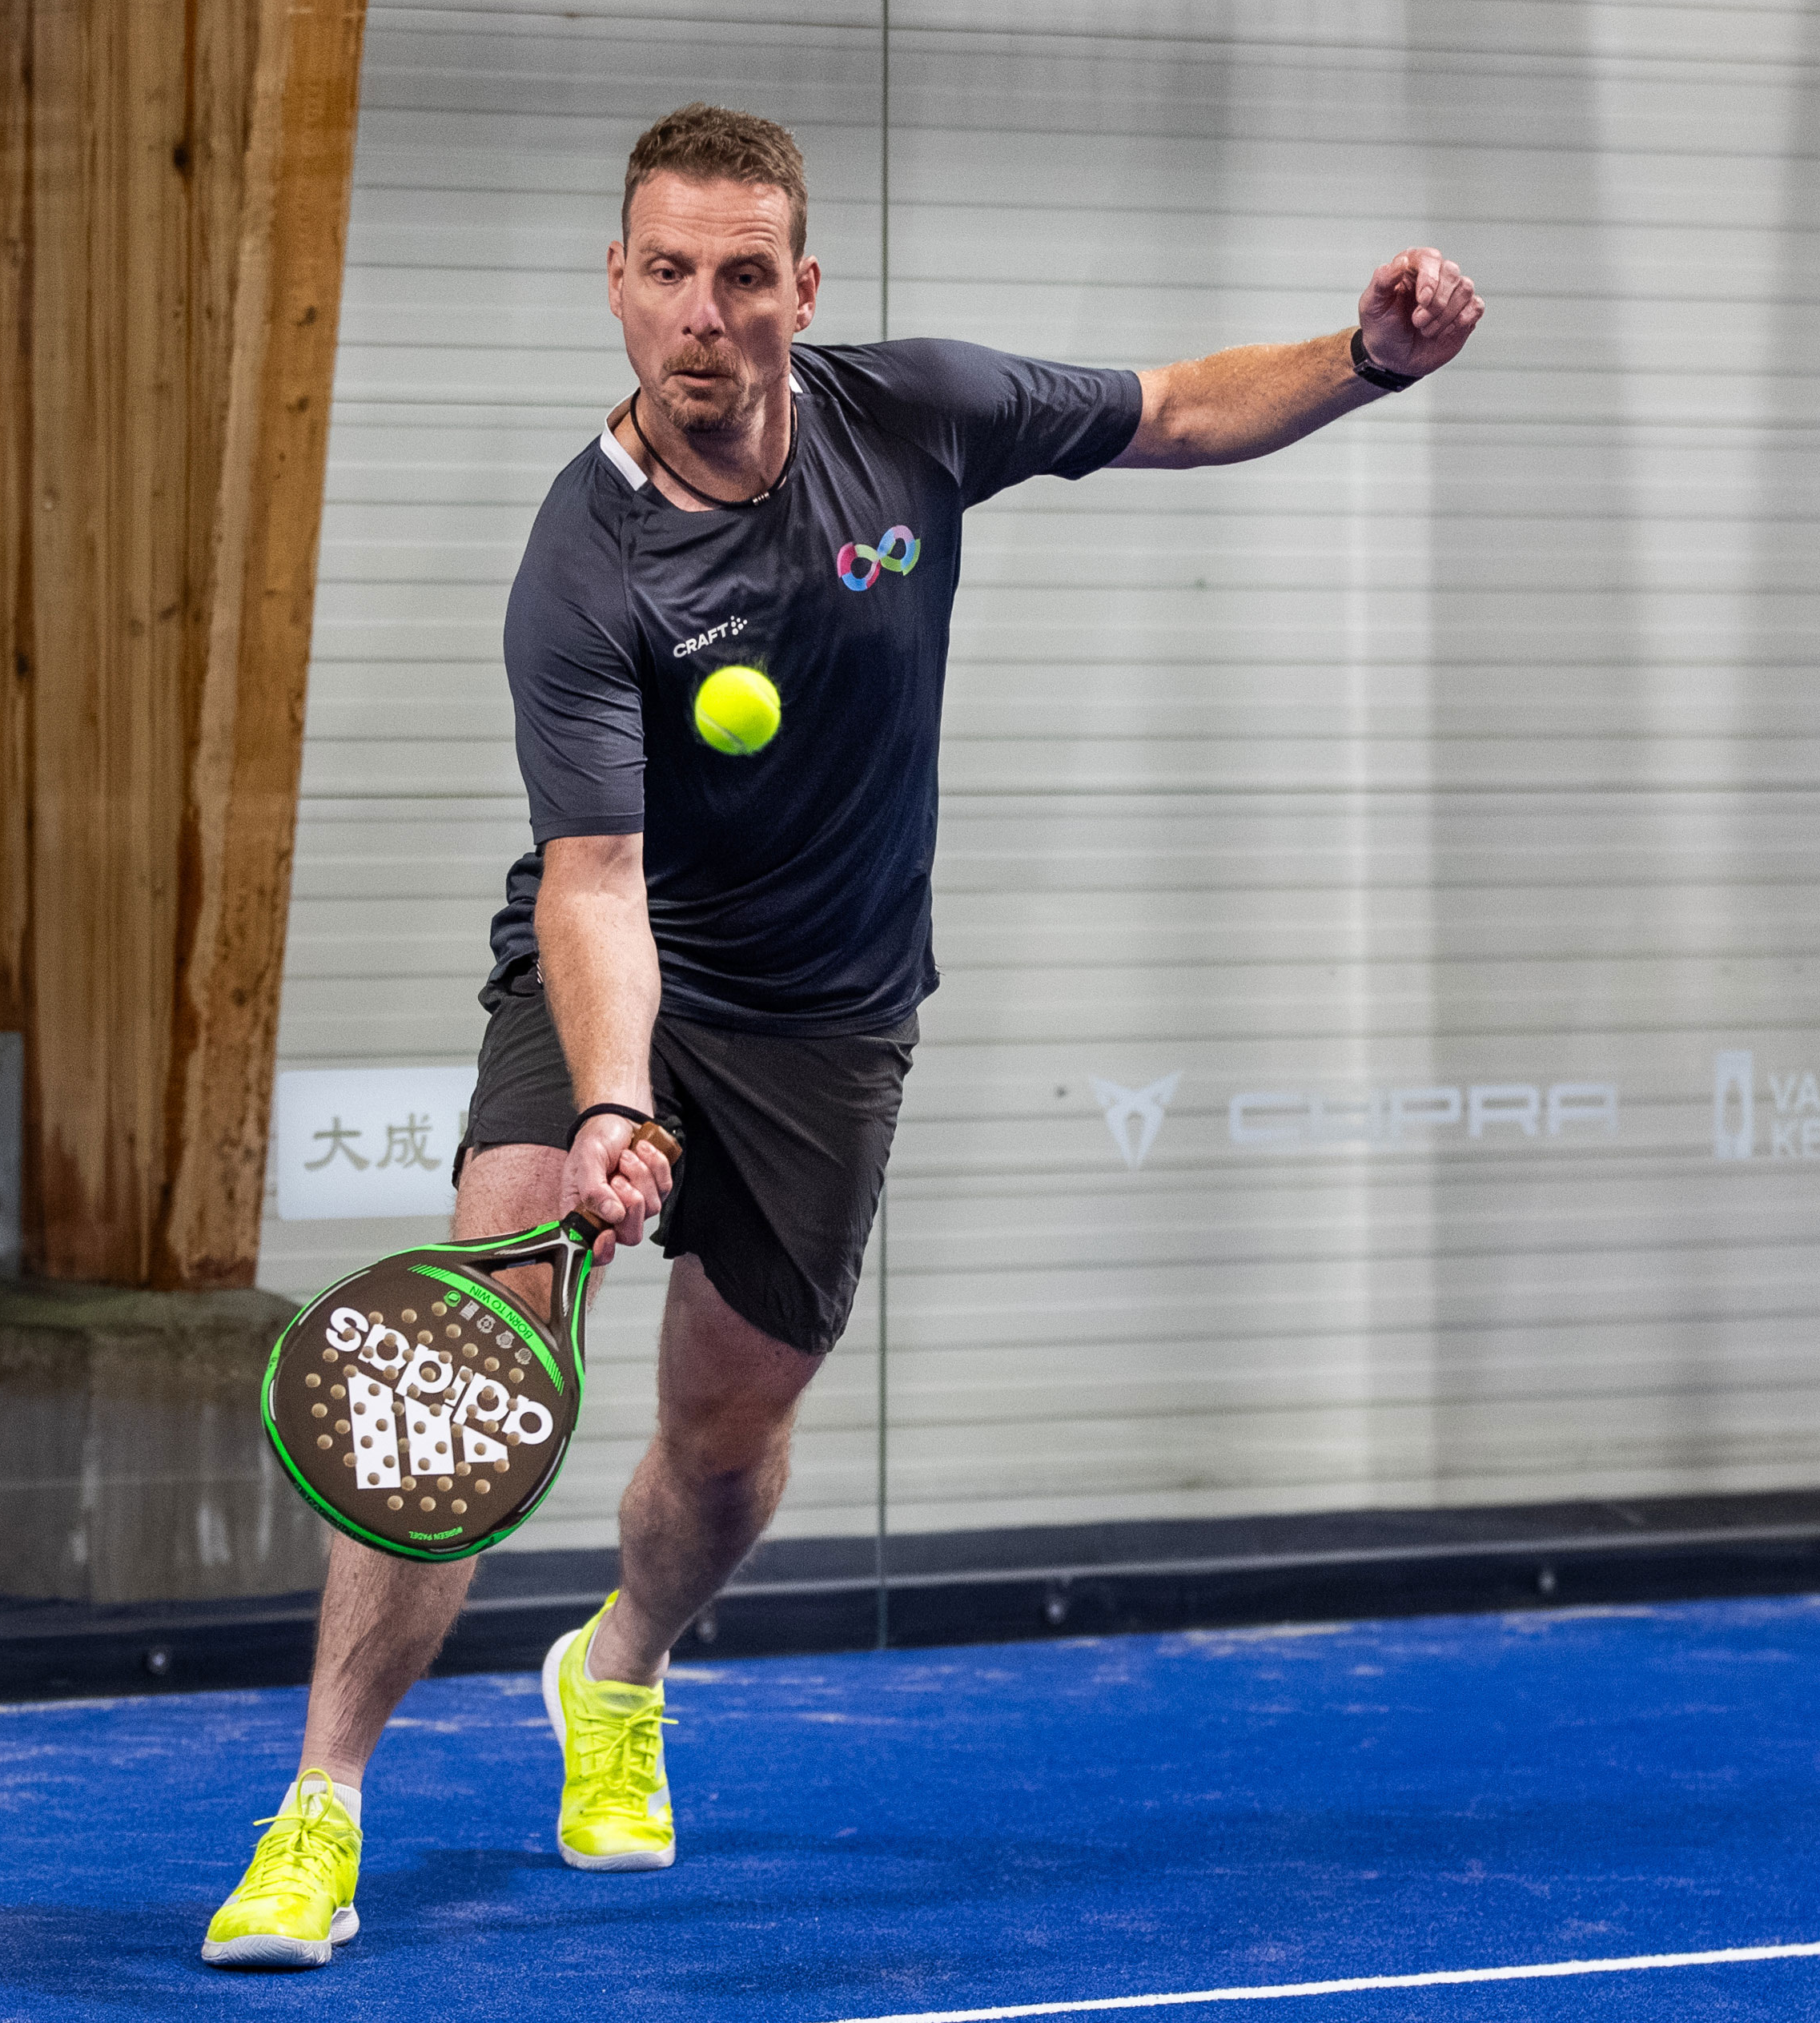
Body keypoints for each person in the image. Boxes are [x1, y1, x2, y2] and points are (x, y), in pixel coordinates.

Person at [202, 101, 1481, 1969]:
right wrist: (615, 1103)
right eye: (667, 272)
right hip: (621, 970)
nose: (701, 312)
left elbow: (1180, 408)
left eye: (742, 275)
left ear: (802, 289)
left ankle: (618, 1666)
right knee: (468, 1353)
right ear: (616, 283)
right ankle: (320, 1803)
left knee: (725, 1445)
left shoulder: (918, 417)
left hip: (831, 1018)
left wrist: (1367, 358)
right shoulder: (585, 562)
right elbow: (595, 886)